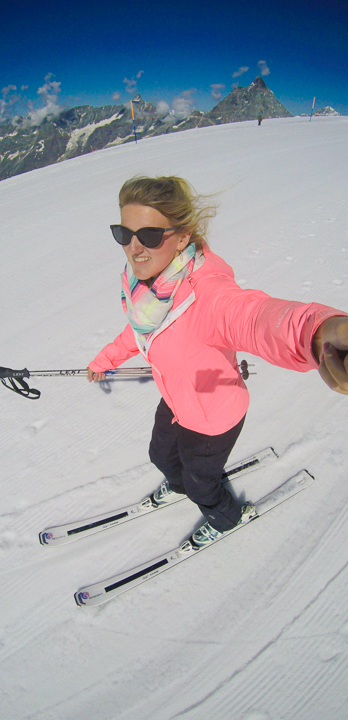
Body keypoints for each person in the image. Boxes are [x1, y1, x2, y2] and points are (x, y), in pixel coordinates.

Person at [87, 176, 348, 547]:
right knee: (159, 454)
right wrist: (106, 359)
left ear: (181, 237)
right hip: (178, 399)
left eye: (148, 235)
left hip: (213, 416)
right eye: (123, 233)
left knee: (201, 482)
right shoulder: (148, 291)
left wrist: (317, 332)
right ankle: (177, 484)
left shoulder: (206, 295)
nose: (133, 248)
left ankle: (225, 517)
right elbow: (141, 333)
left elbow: (255, 317)